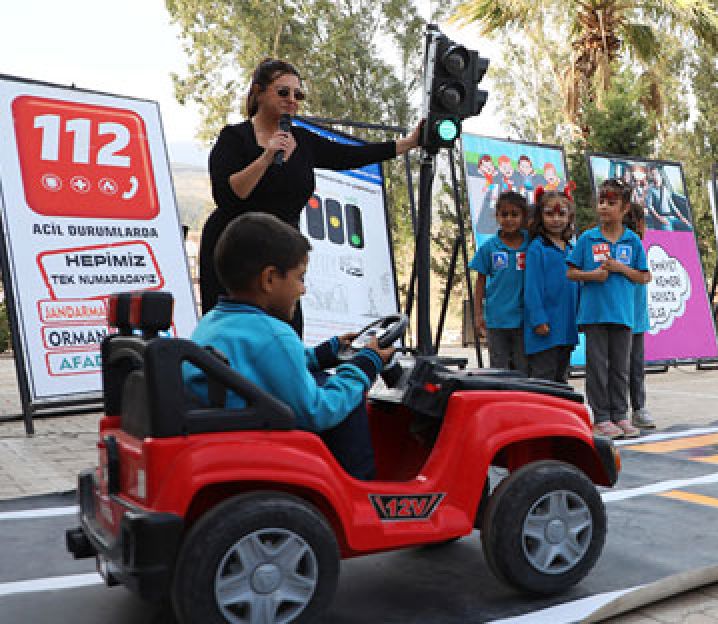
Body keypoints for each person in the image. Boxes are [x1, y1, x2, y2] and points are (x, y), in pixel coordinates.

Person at [199, 58, 422, 330]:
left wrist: (409, 143)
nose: (292, 100)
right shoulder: (234, 138)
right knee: (231, 337)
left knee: (287, 332)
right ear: (258, 91)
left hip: (282, 252)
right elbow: (229, 195)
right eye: (283, 92)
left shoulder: (302, 140)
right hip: (237, 254)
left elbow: (350, 155)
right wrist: (267, 157)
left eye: (298, 94)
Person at [184, 212, 395, 480]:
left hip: (230, 423)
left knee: (320, 376)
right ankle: (361, 489)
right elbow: (318, 411)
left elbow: (256, 365)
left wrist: (321, 355)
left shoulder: (214, 321)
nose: (303, 290)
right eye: (300, 277)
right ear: (269, 279)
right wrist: (365, 366)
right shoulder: (275, 334)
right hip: (260, 438)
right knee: (348, 397)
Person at [567, 179, 651, 438]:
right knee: (597, 367)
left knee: (620, 367)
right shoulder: (587, 239)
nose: (604, 207)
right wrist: (593, 275)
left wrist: (621, 269)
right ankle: (601, 417)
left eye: (611, 203)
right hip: (594, 314)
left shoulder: (632, 241)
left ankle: (620, 415)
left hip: (623, 315)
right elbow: (571, 273)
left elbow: (644, 276)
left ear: (624, 208)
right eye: (601, 202)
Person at [470, 191, 531, 374]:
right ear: (497, 216)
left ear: (523, 217)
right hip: (497, 320)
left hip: (524, 320)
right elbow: (480, 283)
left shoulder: (532, 244)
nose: (509, 219)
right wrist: (478, 314)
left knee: (522, 368)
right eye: (504, 214)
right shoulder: (489, 247)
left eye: (515, 214)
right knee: (499, 369)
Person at [523, 189, 579, 383]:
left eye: (561, 214)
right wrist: (538, 319)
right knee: (543, 379)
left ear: (569, 216)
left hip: (567, 327)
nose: (556, 219)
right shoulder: (537, 248)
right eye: (550, 214)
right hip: (546, 328)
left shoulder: (572, 248)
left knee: (561, 379)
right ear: (541, 216)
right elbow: (532, 288)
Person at [626, 201, 656, 431]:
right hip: (618, 317)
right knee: (617, 368)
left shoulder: (637, 246)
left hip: (636, 318)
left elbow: (645, 276)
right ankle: (614, 413)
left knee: (635, 366)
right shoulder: (610, 244)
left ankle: (638, 408)